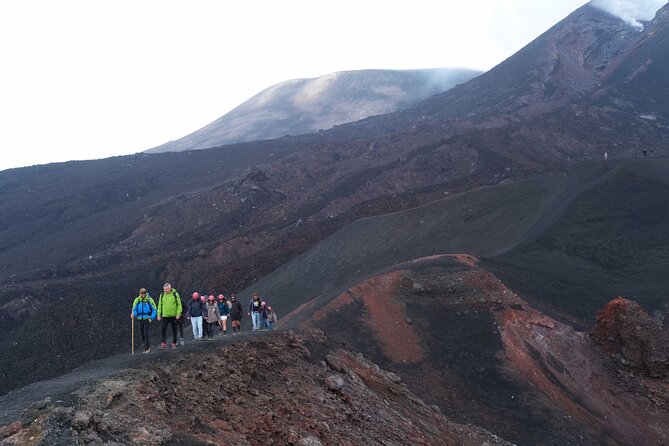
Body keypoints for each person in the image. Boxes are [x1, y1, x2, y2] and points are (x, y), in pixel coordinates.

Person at [131, 288, 157, 353]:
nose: (143, 294)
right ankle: (146, 347)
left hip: (147, 319)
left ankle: (147, 348)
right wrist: (134, 314)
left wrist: (151, 318)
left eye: (144, 293)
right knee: (142, 334)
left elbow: (154, 309)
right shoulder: (137, 300)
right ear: (139, 293)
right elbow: (135, 309)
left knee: (146, 333)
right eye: (142, 293)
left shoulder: (149, 300)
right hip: (140, 319)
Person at [157, 283, 182, 349]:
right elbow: (160, 305)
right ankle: (163, 344)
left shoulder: (175, 294)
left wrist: (178, 314)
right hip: (165, 316)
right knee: (163, 328)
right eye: (164, 289)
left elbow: (179, 304)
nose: (165, 291)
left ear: (170, 288)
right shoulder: (162, 295)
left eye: (166, 289)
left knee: (174, 329)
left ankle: (174, 343)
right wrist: (159, 314)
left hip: (173, 316)